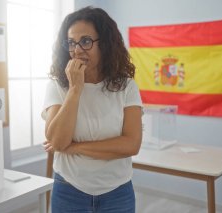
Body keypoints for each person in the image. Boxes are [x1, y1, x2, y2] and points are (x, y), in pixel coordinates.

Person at [42, 6, 143, 213]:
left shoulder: (126, 86)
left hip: (117, 192)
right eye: (71, 42)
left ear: (105, 44)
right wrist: (75, 90)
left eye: (86, 41)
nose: (77, 50)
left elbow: (131, 144)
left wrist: (75, 147)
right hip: (68, 189)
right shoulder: (58, 85)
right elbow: (58, 142)